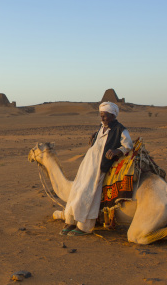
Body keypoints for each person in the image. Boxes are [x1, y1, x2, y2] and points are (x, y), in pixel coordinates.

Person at [61, 101, 133, 236]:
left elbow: (128, 145)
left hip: (100, 164)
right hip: (88, 163)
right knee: (77, 188)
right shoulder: (101, 127)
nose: (102, 118)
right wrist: (94, 138)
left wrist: (117, 151)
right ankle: (71, 220)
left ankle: (85, 226)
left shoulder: (120, 129)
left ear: (112, 115)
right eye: (101, 115)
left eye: (105, 116)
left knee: (89, 192)